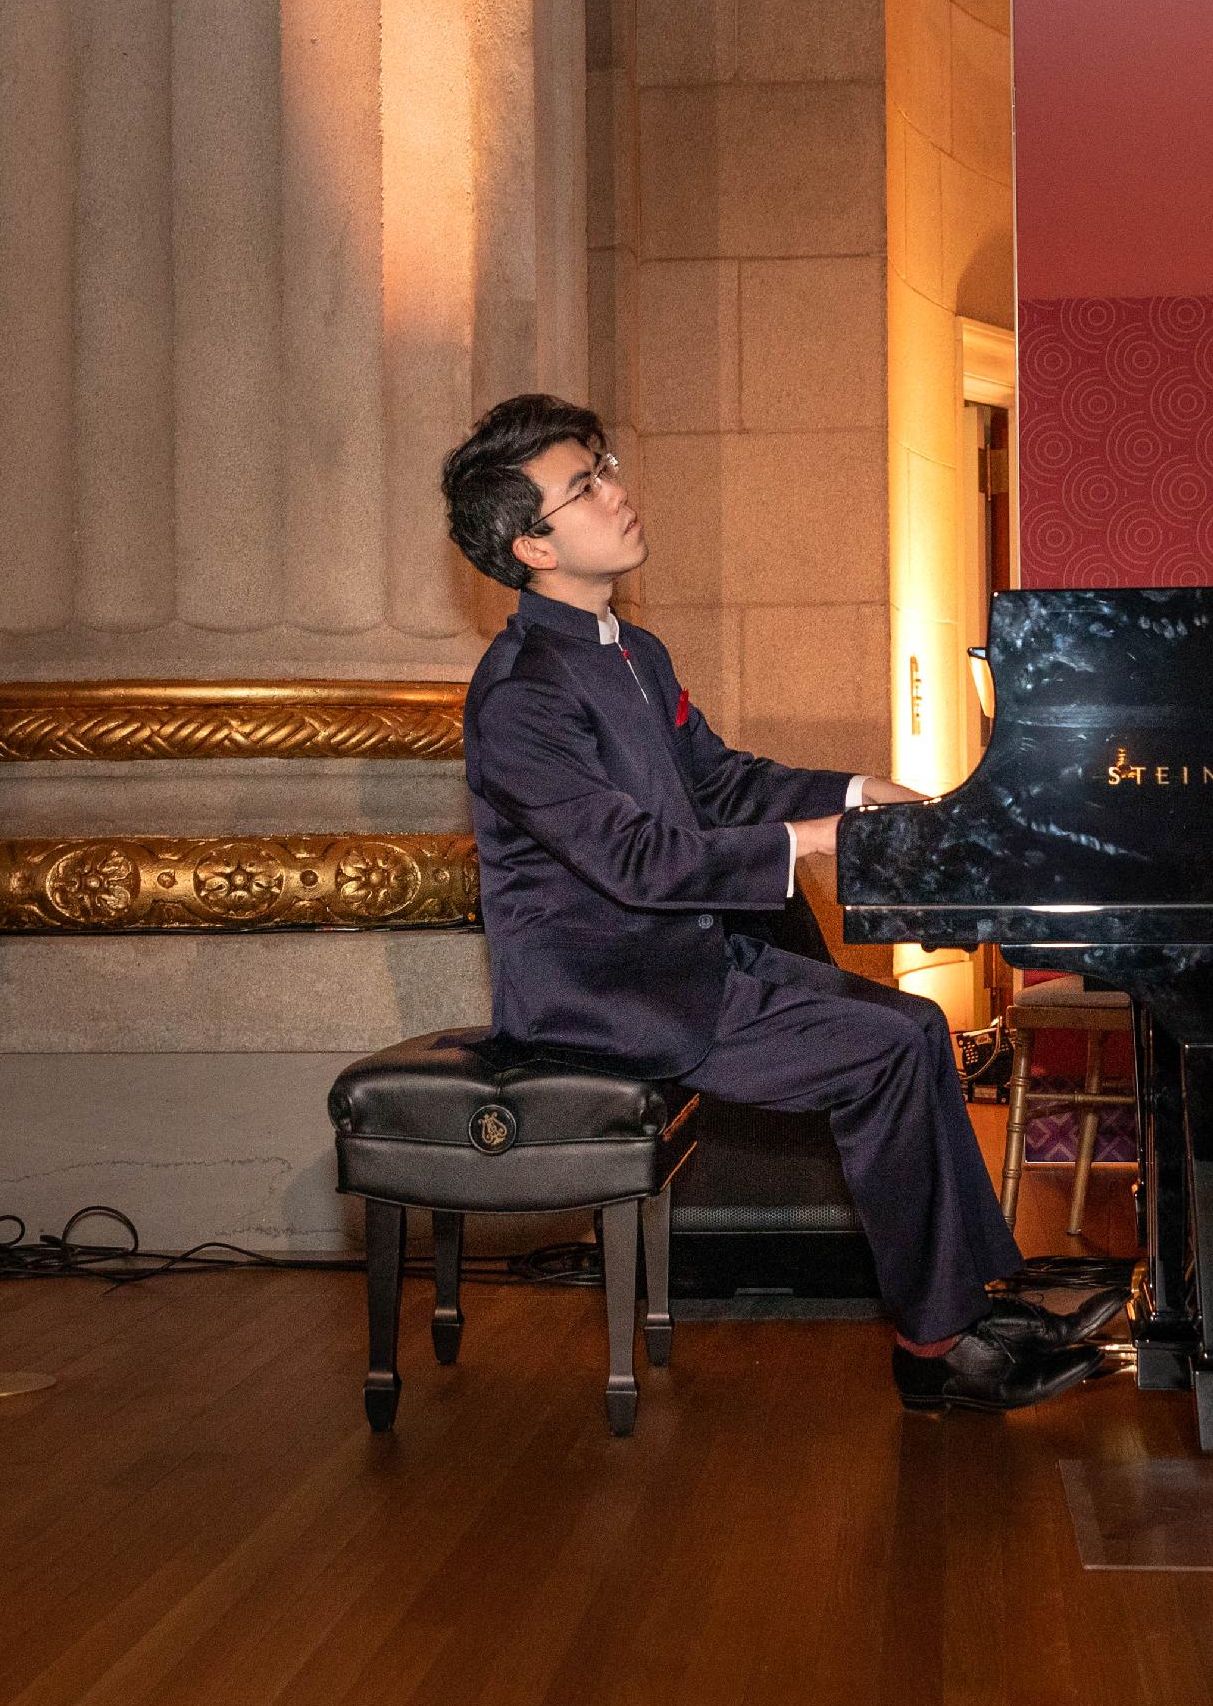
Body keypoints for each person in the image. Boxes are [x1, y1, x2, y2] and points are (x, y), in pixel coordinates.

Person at [442, 394, 1117, 1411]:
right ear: (531, 544)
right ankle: (939, 1355)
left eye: (605, 467)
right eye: (584, 486)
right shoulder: (524, 692)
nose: (616, 492)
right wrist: (810, 842)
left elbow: (717, 784)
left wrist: (853, 793)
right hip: (605, 991)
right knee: (890, 1048)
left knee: (912, 1029)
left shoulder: (631, 650)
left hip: (684, 958)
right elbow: (629, 860)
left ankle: (972, 1305)